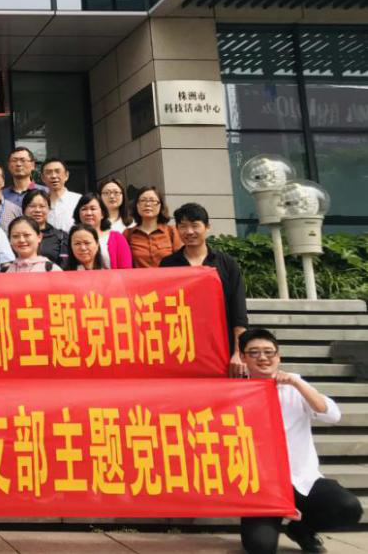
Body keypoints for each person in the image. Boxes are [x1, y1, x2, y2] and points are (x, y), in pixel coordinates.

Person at [238, 328, 363, 554]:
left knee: (348, 507)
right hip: (262, 487)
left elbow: (332, 415)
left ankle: (301, 530)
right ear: (243, 358)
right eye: (254, 352)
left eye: (268, 352)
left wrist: (297, 383)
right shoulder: (235, 393)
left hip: (302, 480)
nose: (262, 357)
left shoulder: (295, 386)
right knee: (260, 546)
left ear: (278, 356)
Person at [160, 202, 249, 377]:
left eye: (195, 225)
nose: (189, 231)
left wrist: (238, 353)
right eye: (183, 226)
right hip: (182, 348)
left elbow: (238, 312)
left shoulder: (226, 263)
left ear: (207, 227)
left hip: (222, 348)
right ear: (177, 229)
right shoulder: (168, 264)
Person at [124, 185, 182, 268]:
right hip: (140, 276)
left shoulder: (171, 231)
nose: (147, 204)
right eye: (143, 200)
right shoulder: (128, 233)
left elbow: (180, 262)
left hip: (168, 276)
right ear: (137, 205)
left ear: (160, 205)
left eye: (152, 200)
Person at [73, 193, 133, 269]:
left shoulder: (116, 238)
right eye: (84, 209)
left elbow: (126, 270)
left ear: (102, 214)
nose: (89, 213)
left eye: (93, 209)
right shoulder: (72, 238)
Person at [21, 189, 69, 269]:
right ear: (24, 209)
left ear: (49, 209)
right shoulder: (16, 236)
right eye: (32, 206)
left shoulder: (61, 237)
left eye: (42, 206)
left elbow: (65, 267)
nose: (37, 210)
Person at [42, 159, 80, 232]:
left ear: (66, 175)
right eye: (48, 172)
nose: (53, 176)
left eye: (57, 171)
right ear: (43, 178)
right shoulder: (40, 203)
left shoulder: (78, 200)